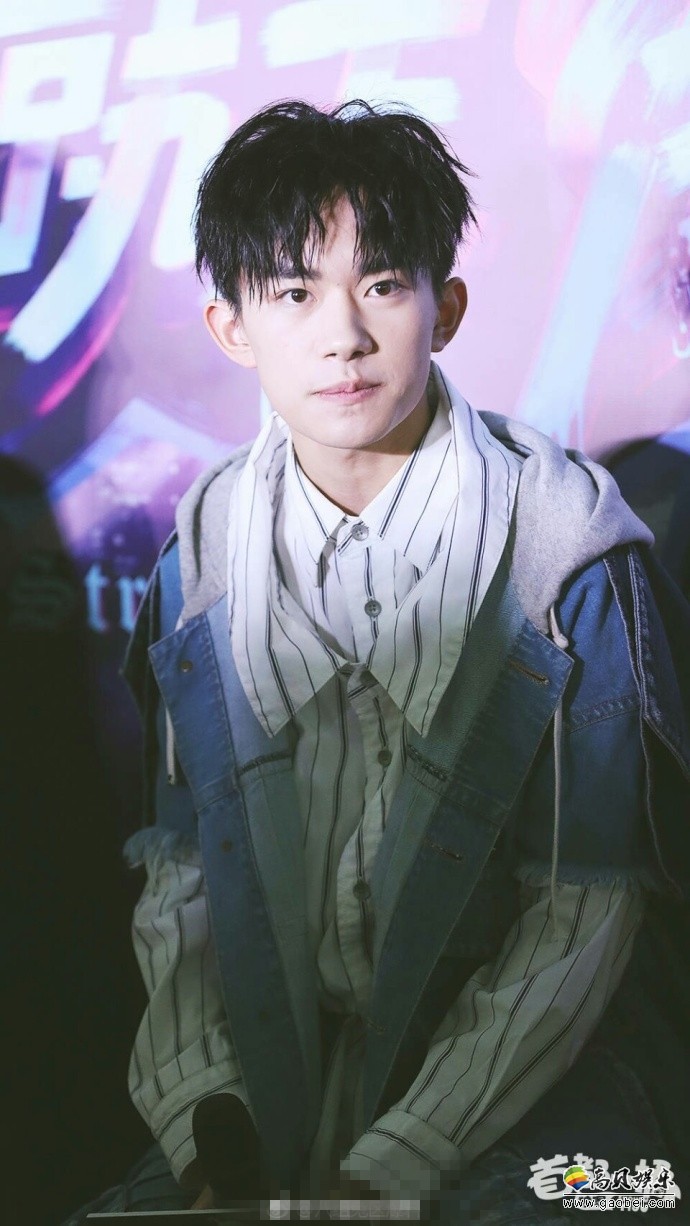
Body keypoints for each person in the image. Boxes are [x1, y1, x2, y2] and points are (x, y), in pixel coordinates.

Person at [63, 100, 690, 1224]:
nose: (343, 335)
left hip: (546, 1095)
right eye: (294, 292)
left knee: (610, 1205)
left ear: (446, 308)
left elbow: (585, 914)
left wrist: (391, 1166)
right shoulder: (197, 562)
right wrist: (209, 1136)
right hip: (280, 1088)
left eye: (384, 285)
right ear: (231, 326)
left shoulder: (567, 552)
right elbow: (180, 880)